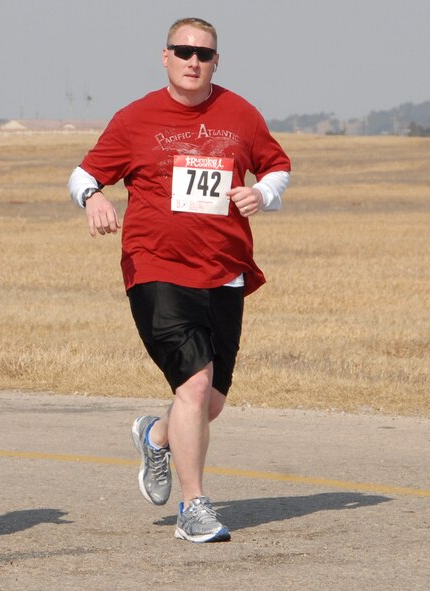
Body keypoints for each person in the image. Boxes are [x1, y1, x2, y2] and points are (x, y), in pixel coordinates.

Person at [68, 17, 290, 543]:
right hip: (156, 268)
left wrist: (264, 194)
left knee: (210, 400)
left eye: (204, 54)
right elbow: (83, 174)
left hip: (225, 272)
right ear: (164, 56)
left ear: (217, 61)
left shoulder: (240, 114)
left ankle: (156, 434)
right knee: (192, 385)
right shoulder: (135, 118)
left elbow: (277, 166)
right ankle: (194, 508)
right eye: (183, 51)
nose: (194, 61)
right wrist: (94, 197)